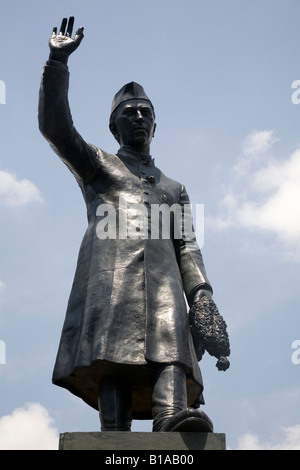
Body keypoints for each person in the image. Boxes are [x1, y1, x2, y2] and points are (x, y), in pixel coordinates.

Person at [38, 17, 229, 433]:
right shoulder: (98, 165)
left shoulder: (174, 187)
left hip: (165, 283)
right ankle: (114, 432)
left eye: (146, 113)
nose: (139, 117)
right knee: (113, 353)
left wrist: (202, 295)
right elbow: (56, 128)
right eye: (130, 113)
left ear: (155, 125)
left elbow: (188, 247)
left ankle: (171, 417)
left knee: (171, 342)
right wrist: (57, 64)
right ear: (114, 125)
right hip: (110, 278)